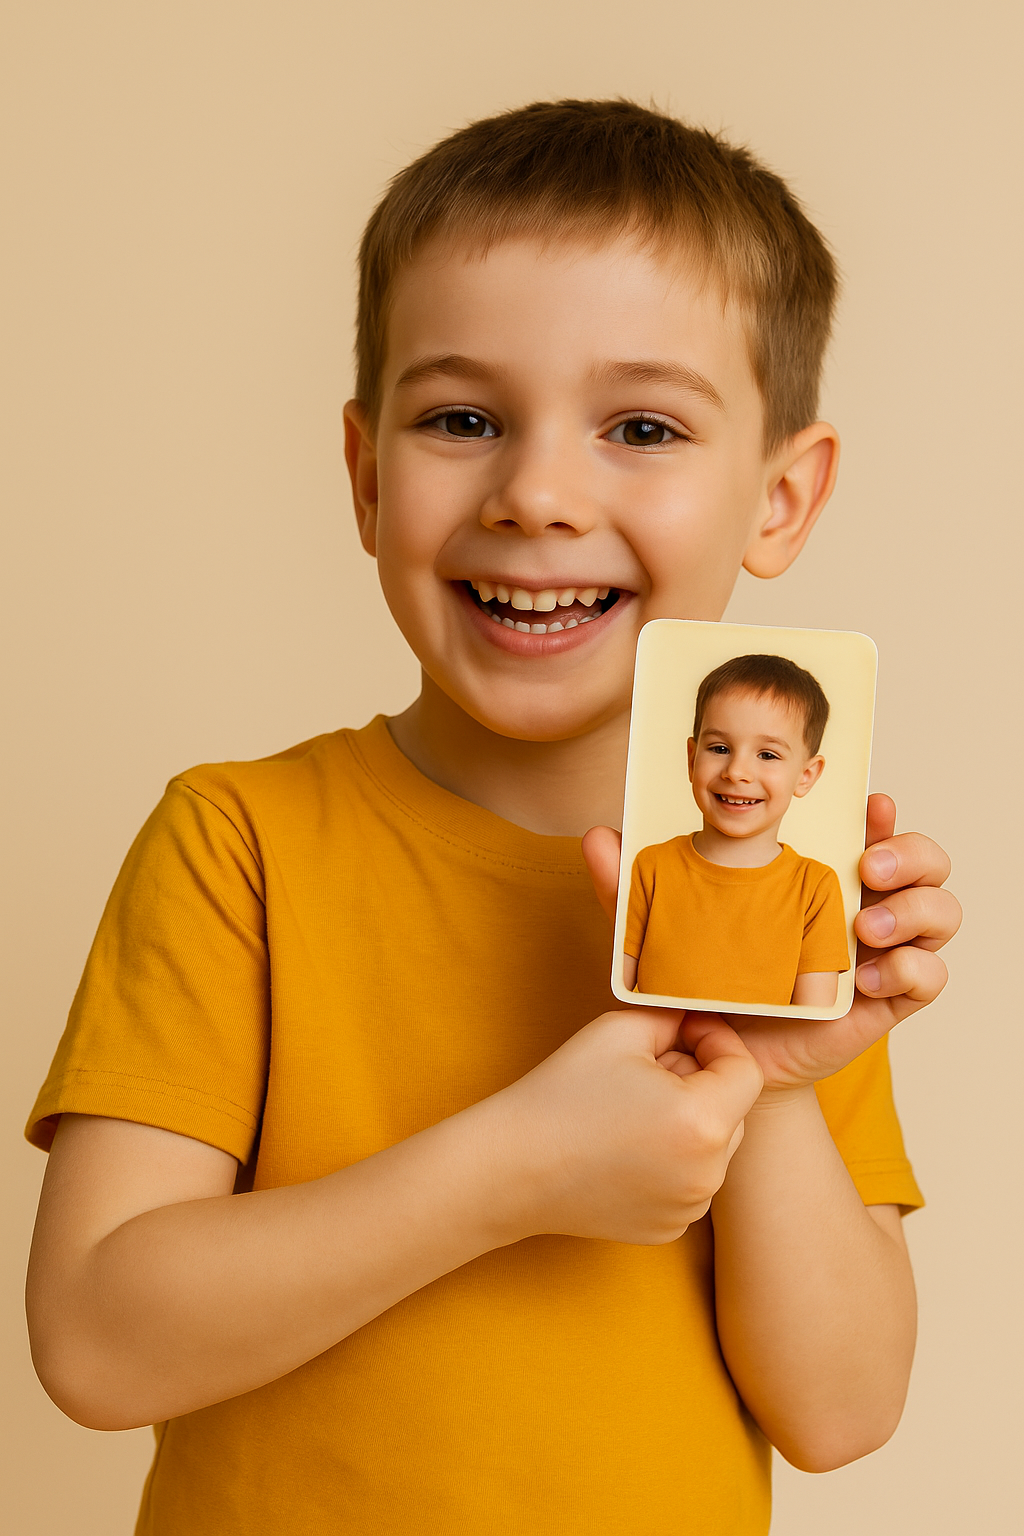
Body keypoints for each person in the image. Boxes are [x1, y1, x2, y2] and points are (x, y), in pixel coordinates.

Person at [24, 100, 961, 1536]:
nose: (534, 495)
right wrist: (514, 1169)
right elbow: (95, 1343)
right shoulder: (241, 842)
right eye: (463, 419)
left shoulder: (806, 912)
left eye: (640, 427)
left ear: (781, 498)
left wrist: (764, 1078)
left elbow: (841, 1413)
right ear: (366, 474)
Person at [625, 653, 850, 1006]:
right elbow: (617, 996)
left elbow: (812, 1019)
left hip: (760, 1062)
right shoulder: (650, 867)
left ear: (805, 776)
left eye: (768, 755)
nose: (737, 771)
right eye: (720, 748)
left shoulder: (815, 888)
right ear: (691, 758)